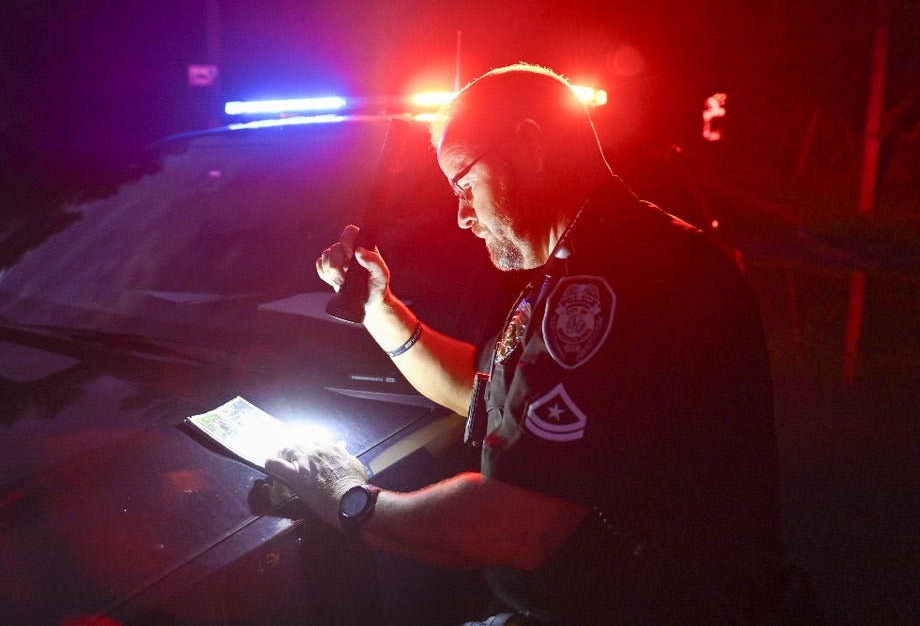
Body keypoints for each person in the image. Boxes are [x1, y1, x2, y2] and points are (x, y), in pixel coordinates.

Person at [265, 63, 785, 623]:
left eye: (465, 184)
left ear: (531, 145)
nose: (463, 216)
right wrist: (380, 310)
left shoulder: (621, 279)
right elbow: (486, 391)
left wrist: (348, 499)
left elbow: (519, 524)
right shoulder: (589, 261)